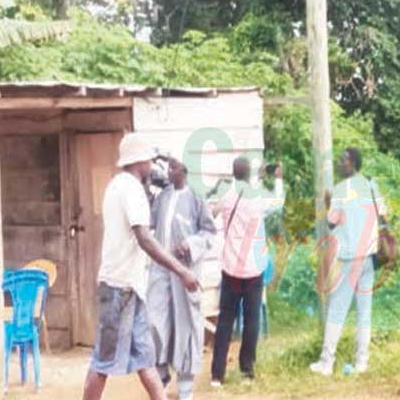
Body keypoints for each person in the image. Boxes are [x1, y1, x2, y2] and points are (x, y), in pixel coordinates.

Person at [82, 134, 200, 400]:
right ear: (140, 162)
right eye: (149, 159)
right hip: (118, 289)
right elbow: (145, 240)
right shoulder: (131, 190)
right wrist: (182, 271)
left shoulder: (118, 185)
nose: (153, 165)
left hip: (131, 288)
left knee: (145, 359)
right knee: (103, 363)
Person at [310, 147, 386, 376]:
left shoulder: (341, 189)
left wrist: (327, 202)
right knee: (364, 311)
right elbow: (383, 213)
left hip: (348, 257)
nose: (340, 163)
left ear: (352, 162)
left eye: (343, 160)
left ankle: (326, 362)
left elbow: (332, 222)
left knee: (337, 309)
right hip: (369, 256)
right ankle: (361, 362)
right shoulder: (371, 185)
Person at [210, 157, 284, 385]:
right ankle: (246, 371)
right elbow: (278, 203)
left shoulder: (227, 196)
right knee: (252, 320)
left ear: (233, 173)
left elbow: (211, 212)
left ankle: (217, 375)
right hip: (253, 270)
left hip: (231, 268)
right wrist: (278, 180)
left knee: (224, 321)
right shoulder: (257, 197)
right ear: (248, 173)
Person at [147, 158, 216, 400]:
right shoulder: (163, 197)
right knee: (154, 322)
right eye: (168, 167)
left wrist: (191, 244)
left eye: (174, 167)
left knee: (185, 326)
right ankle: (161, 374)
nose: (169, 171)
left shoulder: (197, 198)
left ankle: (185, 387)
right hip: (159, 271)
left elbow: (209, 232)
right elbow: (149, 227)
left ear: (184, 171)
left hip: (184, 273)